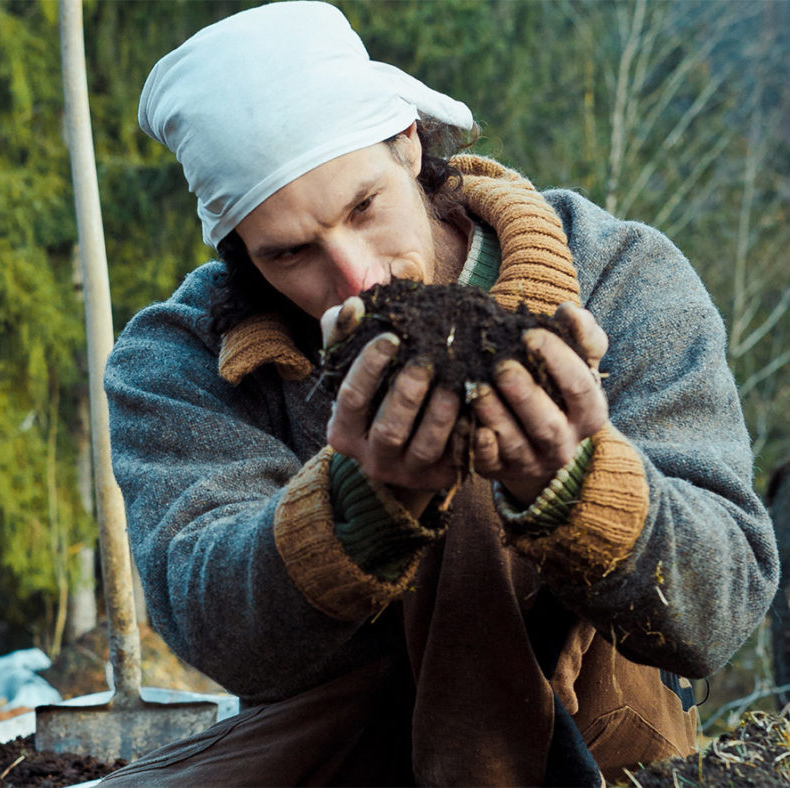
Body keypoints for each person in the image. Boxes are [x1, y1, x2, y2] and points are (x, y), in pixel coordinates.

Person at [101, 2, 778, 784]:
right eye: (290, 254)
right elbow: (216, 626)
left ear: (409, 142)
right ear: (241, 254)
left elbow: (721, 606)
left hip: (602, 737)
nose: (358, 277)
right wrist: (357, 507)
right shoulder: (178, 358)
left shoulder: (618, 274)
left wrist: (578, 484)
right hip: (337, 740)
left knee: (475, 452)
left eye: (365, 207)